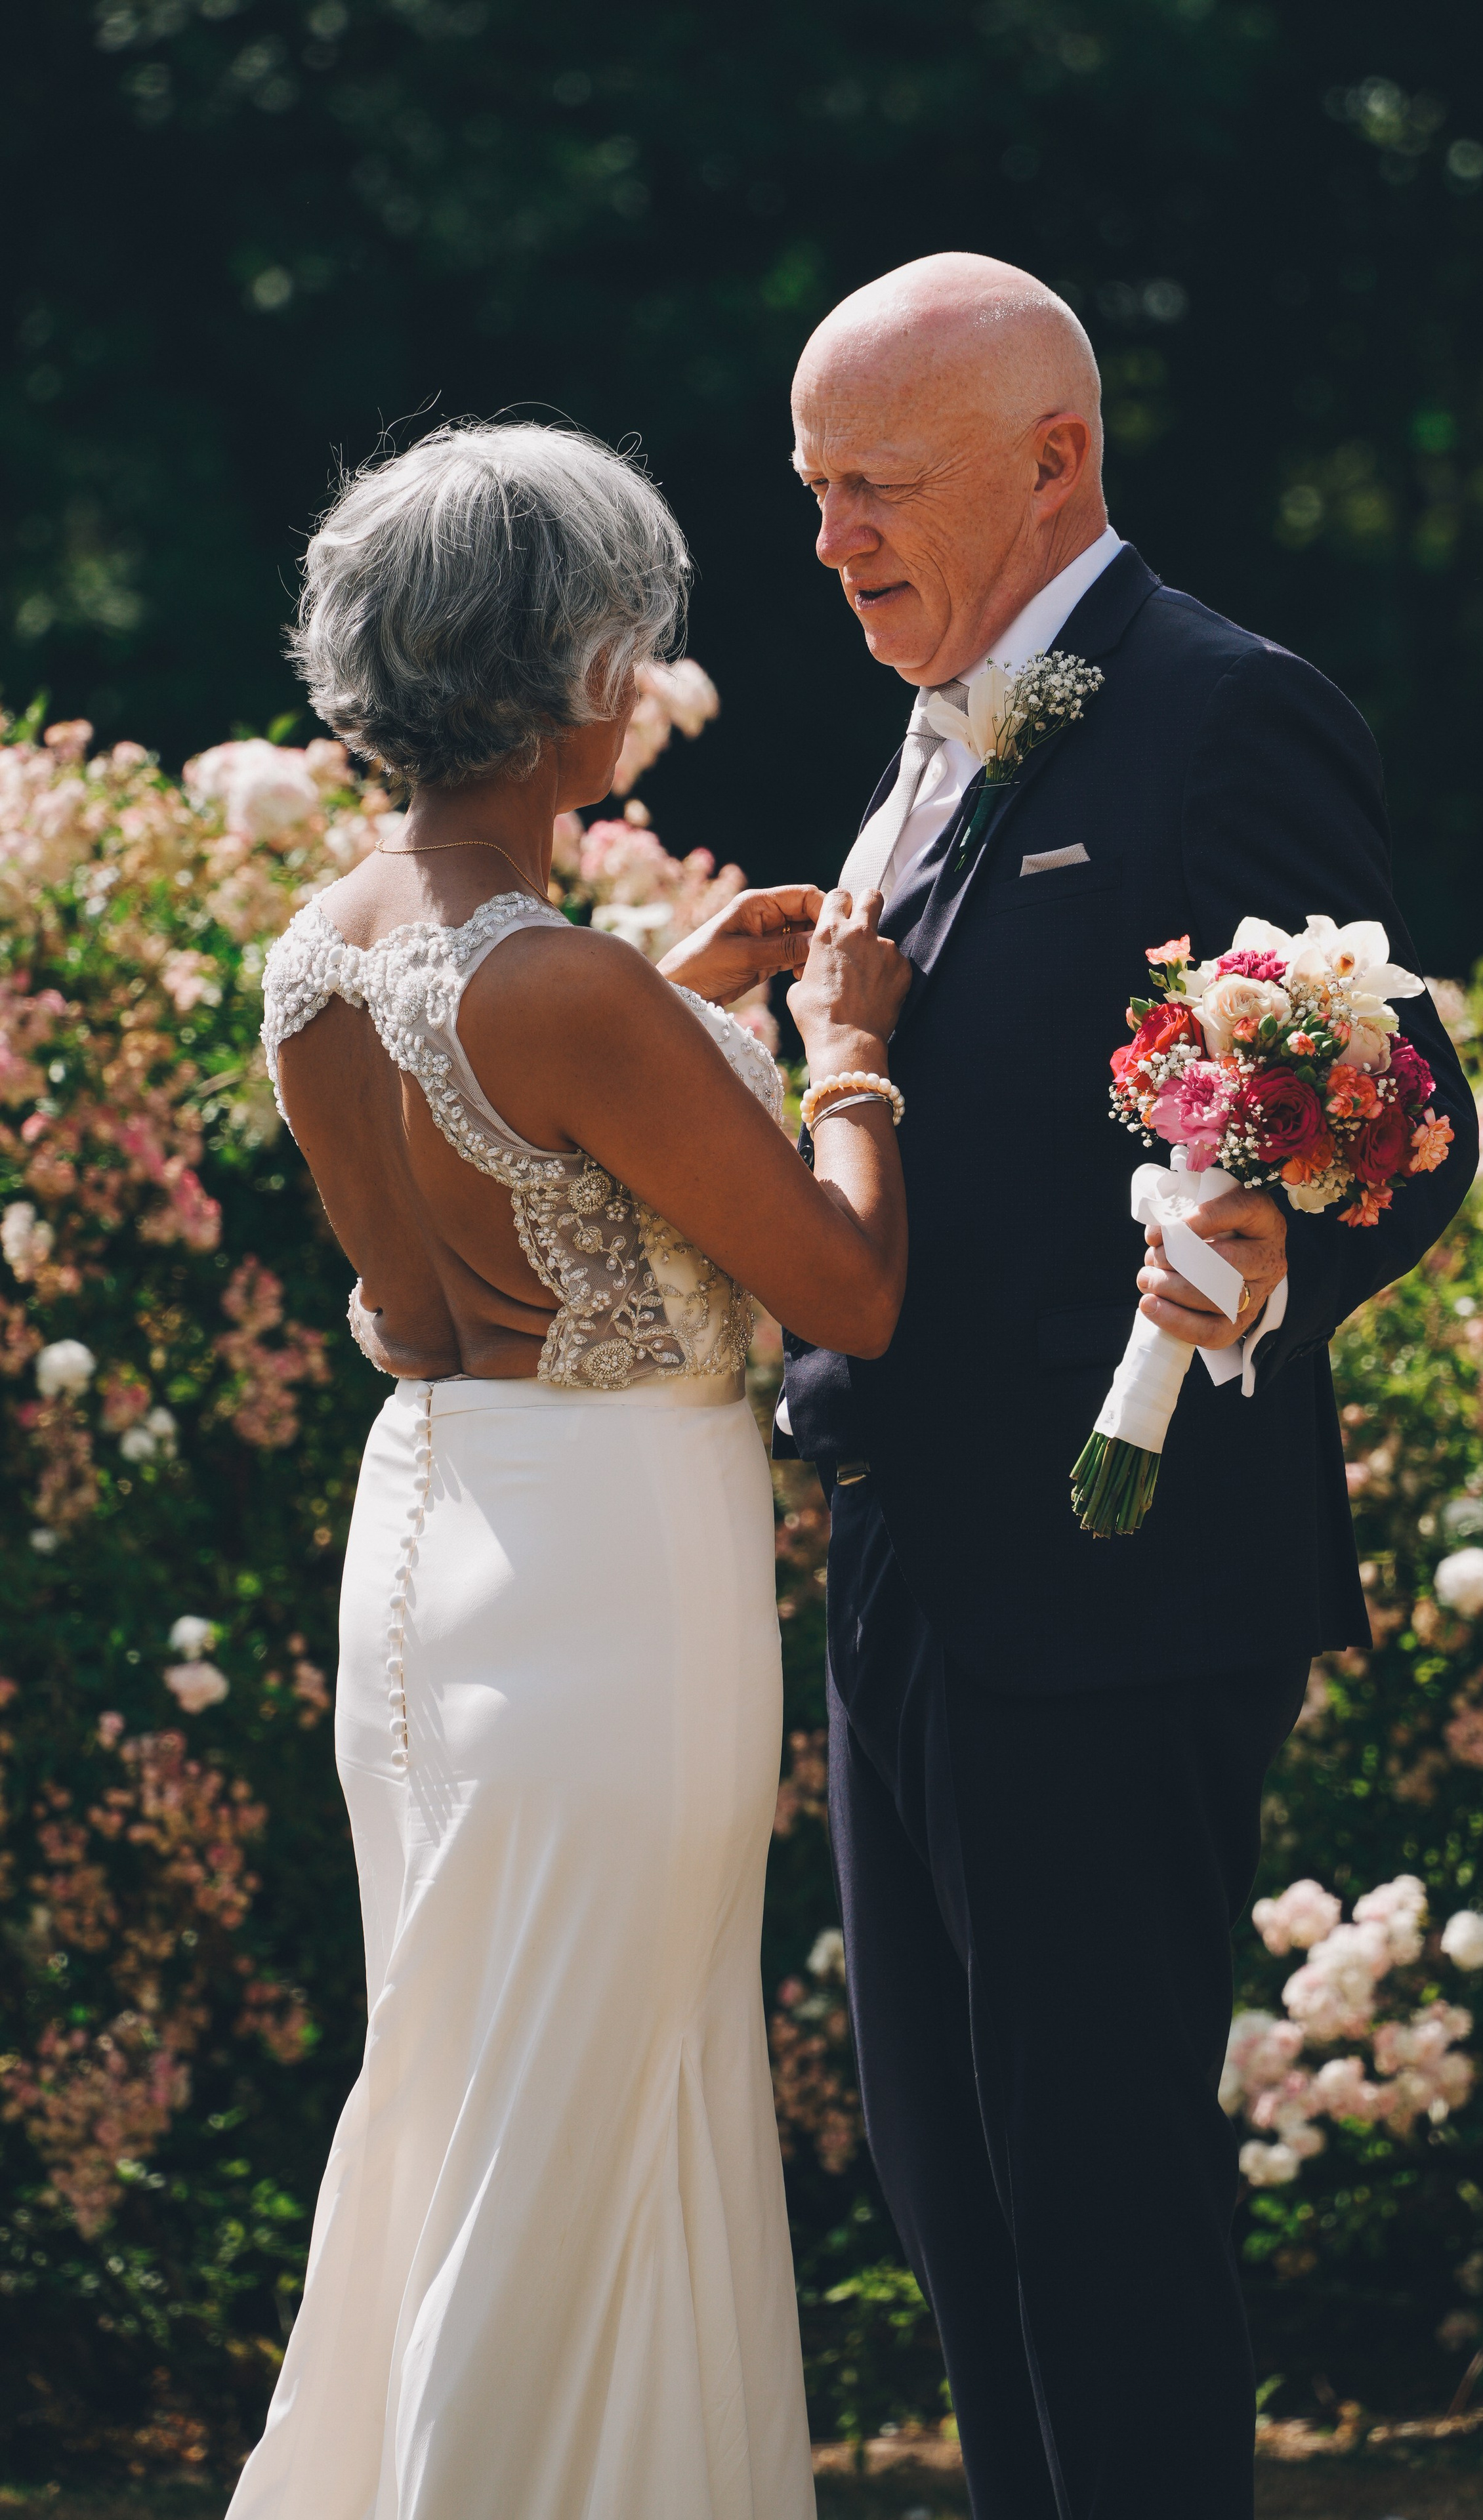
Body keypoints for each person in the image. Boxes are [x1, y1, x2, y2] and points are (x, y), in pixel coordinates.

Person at [776, 254, 1480, 2519]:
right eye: (813, 492)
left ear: (1054, 461)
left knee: (1094, 2199)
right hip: (906, 1575)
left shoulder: (1218, 708)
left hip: (1118, 1586)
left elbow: (1403, 1088)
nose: (834, 538)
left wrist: (1291, 1243)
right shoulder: (931, 731)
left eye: (877, 484)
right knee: (951, 2195)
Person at [227, 419, 910, 2520]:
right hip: (615, 1585)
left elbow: (491, 1214)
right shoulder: (569, 985)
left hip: (431, 1542)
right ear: (564, 666)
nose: (647, 676)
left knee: (475, 2093)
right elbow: (849, 1290)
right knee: (589, 2118)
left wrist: (683, 1015)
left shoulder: (317, 952)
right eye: (633, 636)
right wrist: (845, 1042)